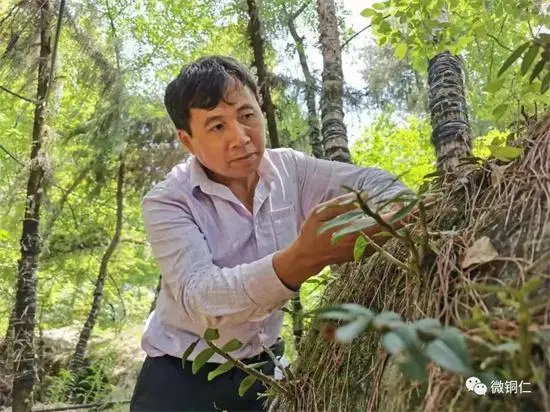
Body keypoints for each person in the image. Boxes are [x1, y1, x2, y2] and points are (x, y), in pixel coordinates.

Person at [130, 55, 411, 411]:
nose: (241, 138)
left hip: (265, 370)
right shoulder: (168, 201)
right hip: (178, 379)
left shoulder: (289, 170)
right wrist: (304, 258)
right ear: (188, 141)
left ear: (261, 112)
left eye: (247, 116)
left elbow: (373, 182)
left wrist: (391, 213)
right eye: (217, 126)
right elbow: (201, 296)